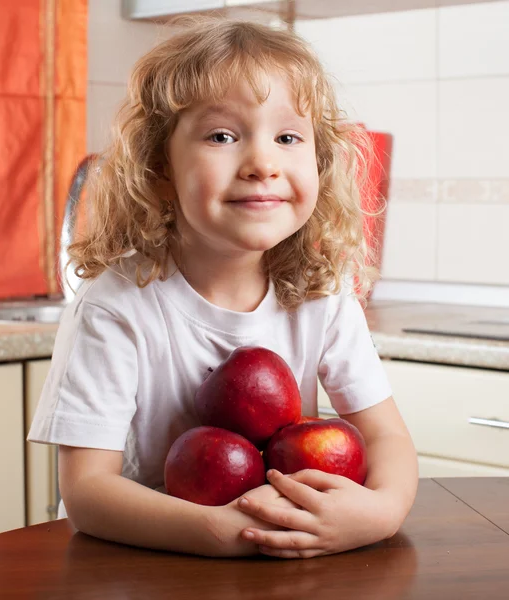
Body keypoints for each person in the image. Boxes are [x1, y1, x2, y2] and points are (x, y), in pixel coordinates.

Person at [28, 16, 418, 559]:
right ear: (159, 168)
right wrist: (226, 532)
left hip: (282, 564)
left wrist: (381, 512)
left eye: (287, 137)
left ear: (320, 165)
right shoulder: (116, 306)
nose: (263, 163)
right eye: (221, 136)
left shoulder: (320, 296)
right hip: (149, 566)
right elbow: (89, 492)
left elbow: (388, 439)